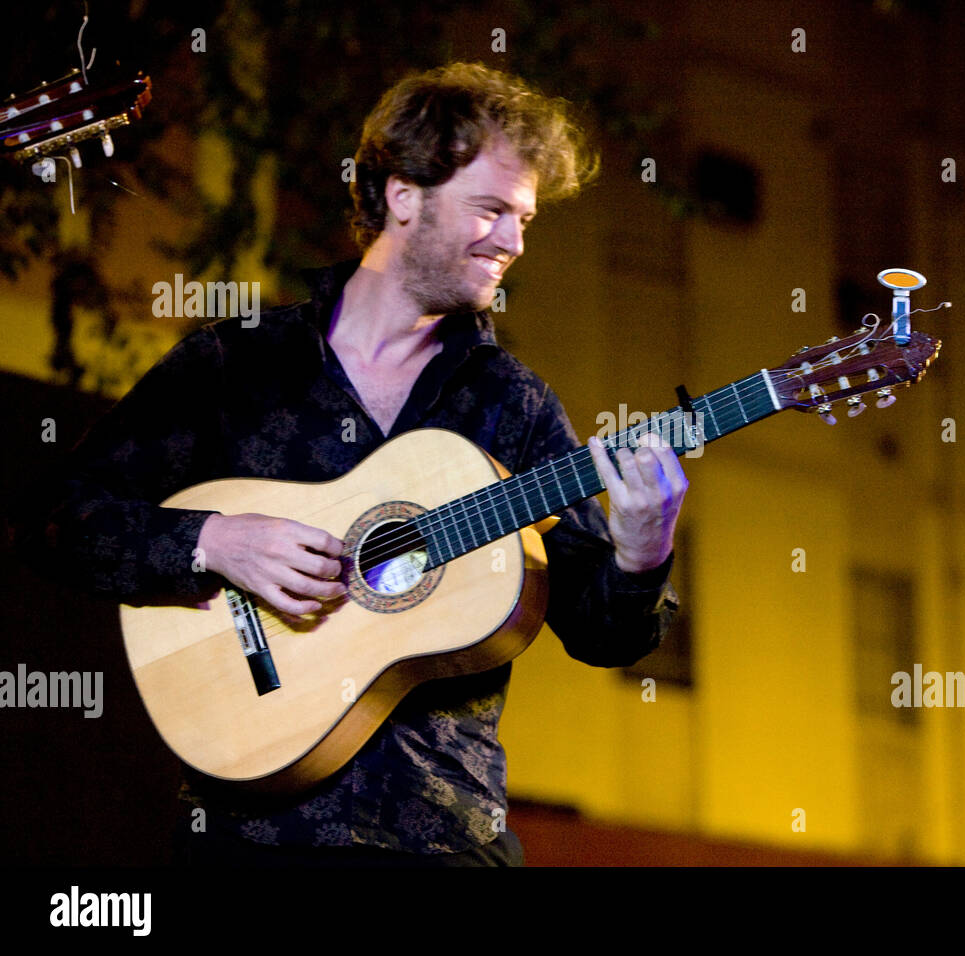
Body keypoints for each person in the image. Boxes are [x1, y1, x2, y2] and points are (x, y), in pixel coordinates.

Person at [18, 63, 687, 866]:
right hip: (248, 839)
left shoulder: (515, 404)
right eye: (491, 210)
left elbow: (601, 634)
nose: (513, 241)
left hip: (438, 841)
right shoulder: (240, 364)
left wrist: (642, 549)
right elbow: (52, 518)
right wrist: (212, 541)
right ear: (404, 196)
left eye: (525, 219)